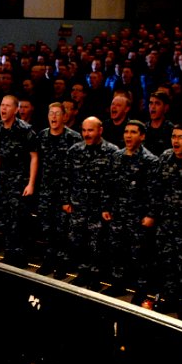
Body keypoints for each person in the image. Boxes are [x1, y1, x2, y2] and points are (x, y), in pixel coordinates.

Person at [144, 124, 182, 316]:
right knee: (166, 264)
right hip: (166, 222)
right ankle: (168, 300)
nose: (175, 141)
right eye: (173, 137)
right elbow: (155, 188)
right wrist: (153, 214)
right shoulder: (165, 157)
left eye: (180, 137)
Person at [102, 120, 159, 301]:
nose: (128, 135)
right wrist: (106, 206)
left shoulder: (150, 161)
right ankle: (117, 285)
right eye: (126, 132)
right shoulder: (116, 156)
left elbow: (154, 191)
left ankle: (141, 292)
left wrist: (151, 214)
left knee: (139, 256)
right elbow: (108, 184)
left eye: (133, 132)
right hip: (118, 214)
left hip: (138, 216)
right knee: (116, 252)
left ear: (142, 136)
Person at [65, 117, 121, 287]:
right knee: (79, 242)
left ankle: (96, 277)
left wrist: (109, 206)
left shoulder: (112, 152)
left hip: (100, 208)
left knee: (98, 244)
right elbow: (67, 177)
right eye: (84, 130)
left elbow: (115, 182)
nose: (86, 134)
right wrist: (66, 200)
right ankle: (82, 273)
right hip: (79, 206)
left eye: (91, 130)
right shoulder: (75, 150)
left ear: (100, 130)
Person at [0, 95, 39, 268]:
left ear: (16, 109)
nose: (3, 109)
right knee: (4, 219)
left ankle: (20, 257)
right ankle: (10, 253)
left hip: (20, 181)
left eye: (7, 106)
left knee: (18, 220)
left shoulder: (25, 130)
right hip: (3, 180)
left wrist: (31, 183)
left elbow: (34, 157)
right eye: (1, 105)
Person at [35, 102, 82, 277]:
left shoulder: (74, 138)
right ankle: (48, 261)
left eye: (57, 114)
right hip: (46, 192)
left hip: (66, 194)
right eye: (51, 113)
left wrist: (71, 197)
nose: (53, 117)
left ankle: (62, 265)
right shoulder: (41, 136)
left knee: (63, 231)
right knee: (47, 229)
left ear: (64, 117)